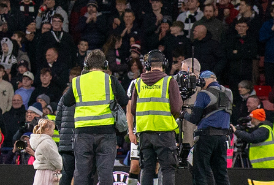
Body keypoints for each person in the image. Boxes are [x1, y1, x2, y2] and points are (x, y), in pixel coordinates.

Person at [62, 50, 129, 185]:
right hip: (106, 133)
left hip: (82, 133)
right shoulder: (110, 80)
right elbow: (124, 100)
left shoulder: (77, 81)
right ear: (105, 64)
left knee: (82, 173)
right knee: (105, 174)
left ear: (86, 65)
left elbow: (66, 101)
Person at [127, 51, 182, 185]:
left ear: (147, 65)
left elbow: (133, 109)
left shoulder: (138, 83)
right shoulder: (169, 81)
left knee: (146, 169)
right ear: (164, 64)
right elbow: (176, 109)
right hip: (164, 131)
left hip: (144, 133)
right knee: (167, 168)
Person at [186, 70, 233, 185]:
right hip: (223, 137)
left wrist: (184, 114)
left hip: (206, 137)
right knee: (221, 173)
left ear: (205, 80)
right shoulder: (229, 93)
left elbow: (194, 118)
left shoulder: (203, 94)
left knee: (200, 171)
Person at [29, 118, 62, 185]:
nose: (53, 131)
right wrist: (60, 166)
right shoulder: (46, 143)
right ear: (47, 130)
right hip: (47, 173)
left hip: (41, 172)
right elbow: (53, 157)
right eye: (52, 129)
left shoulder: (41, 141)